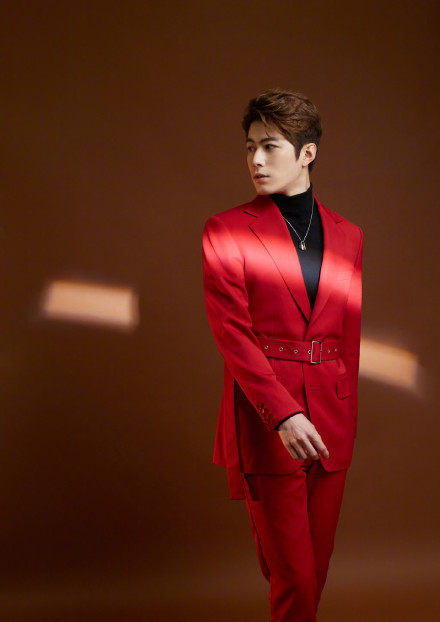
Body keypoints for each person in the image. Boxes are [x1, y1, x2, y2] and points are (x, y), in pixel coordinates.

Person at [202, 89, 363, 622]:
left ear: (307, 153)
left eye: (270, 146)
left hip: (332, 419)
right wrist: (283, 414)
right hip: (267, 421)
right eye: (250, 147)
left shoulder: (349, 236)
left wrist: (345, 416)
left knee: (315, 572)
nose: (256, 159)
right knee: (292, 576)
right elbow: (233, 334)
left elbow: (348, 337)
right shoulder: (226, 230)